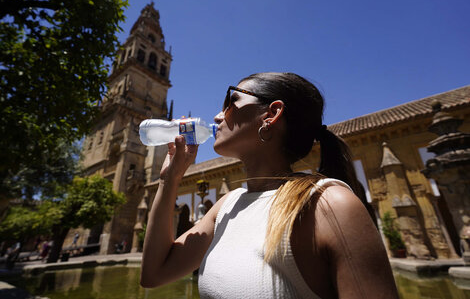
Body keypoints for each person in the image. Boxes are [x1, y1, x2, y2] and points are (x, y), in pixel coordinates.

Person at [141, 72, 399, 298]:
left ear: (271, 114)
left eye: (232, 102)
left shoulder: (328, 204)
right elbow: (154, 274)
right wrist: (169, 180)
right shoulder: (226, 207)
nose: (217, 116)